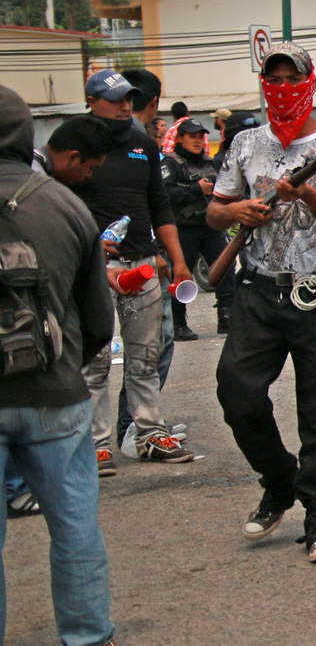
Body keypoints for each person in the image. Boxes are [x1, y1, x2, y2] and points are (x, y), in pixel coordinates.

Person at [209, 42, 316, 564]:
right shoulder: (246, 143)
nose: (281, 87)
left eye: (289, 77)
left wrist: (309, 195)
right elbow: (214, 210)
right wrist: (242, 210)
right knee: (238, 393)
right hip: (257, 289)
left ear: (309, 81)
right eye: (271, 78)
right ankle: (280, 482)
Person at [0, 85, 118, 646]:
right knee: (74, 528)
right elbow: (99, 320)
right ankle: (89, 637)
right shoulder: (66, 205)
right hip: (57, 394)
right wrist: (68, 364)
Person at [75, 70, 194, 473]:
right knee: (94, 359)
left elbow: (159, 206)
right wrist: (86, 243)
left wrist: (177, 260)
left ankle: (148, 433)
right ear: (91, 101)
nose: (125, 105)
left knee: (145, 355)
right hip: (94, 267)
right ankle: (95, 445)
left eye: (129, 98)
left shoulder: (142, 144)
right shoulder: (73, 144)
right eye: (115, 99)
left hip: (142, 263)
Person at [163, 119, 234, 338]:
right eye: (192, 136)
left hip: (210, 226)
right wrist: (196, 189)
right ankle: (177, 323)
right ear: (180, 138)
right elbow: (165, 195)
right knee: (181, 273)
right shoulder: (170, 163)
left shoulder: (208, 162)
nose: (197, 141)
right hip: (184, 229)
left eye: (199, 136)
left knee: (226, 269)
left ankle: (227, 317)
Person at [33, 114, 115, 185]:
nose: (89, 175)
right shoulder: (37, 183)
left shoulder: (30, 165)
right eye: (91, 168)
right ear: (73, 157)